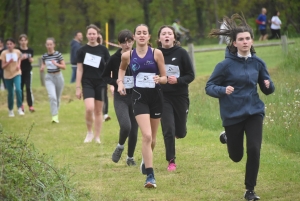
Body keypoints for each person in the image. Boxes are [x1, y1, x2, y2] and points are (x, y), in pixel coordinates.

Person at [206, 14, 275, 200]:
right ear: (234, 43)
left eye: (247, 38)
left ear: (252, 41)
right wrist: (222, 90)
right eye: (241, 39)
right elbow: (209, 87)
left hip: (254, 112)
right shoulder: (225, 65)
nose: (245, 42)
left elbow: (267, 88)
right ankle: (228, 136)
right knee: (236, 156)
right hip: (233, 115)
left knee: (254, 149)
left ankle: (250, 190)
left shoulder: (258, 63)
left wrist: (269, 85)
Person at [117, 24, 167, 188]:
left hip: (156, 97)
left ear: (149, 36)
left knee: (152, 139)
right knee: (146, 136)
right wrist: (120, 83)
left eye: (144, 33)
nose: (142, 35)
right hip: (139, 98)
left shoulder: (156, 53)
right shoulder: (127, 55)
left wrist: (160, 79)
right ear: (135, 37)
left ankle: (146, 161)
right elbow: (121, 69)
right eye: (139, 33)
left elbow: (165, 77)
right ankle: (150, 176)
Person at [156, 25, 195, 171]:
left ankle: (179, 132)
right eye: (163, 33)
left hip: (180, 96)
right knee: (168, 128)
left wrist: (178, 80)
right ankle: (171, 160)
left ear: (174, 37)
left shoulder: (181, 53)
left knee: (181, 132)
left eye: (169, 33)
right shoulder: (155, 54)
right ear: (159, 38)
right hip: (163, 96)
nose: (166, 36)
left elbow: (191, 75)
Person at [102, 29, 138, 166]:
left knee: (134, 130)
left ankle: (130, 157)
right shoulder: (114, 59)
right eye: (124, 42)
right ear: (119, 44)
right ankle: (120, 146)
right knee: (126, 126)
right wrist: (116, 83)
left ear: (133, 41)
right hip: (121, 97)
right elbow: (104, 76)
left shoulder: (138, 56)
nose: (127, 45)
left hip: (136, 97)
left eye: (129, 41)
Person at [76, 24, 110, 143]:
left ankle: (97, 136)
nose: (92, 36)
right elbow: (79, 69)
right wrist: (77, 87)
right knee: (89, 108)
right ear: (86, 35)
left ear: (97, 35)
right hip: (87, 82)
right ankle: (89, 132)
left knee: (98, 111)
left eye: (94, 34)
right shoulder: (81, 50)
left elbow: (109, 68)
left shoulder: (103, 50)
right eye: (89, 34)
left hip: (101, 83)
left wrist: (110, 84)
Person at [40, 37, 66, 123]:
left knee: (57, 98)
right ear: (46, 45)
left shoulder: (58, 55)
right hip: (49, 78)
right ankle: (54, 116)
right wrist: (42, 67)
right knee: (52, 97)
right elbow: (44, 63)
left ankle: (56, 114)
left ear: (54, 45)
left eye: (51, 44)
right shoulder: (44, 56)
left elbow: (64, 67)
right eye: (48, 44)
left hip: (58, 76)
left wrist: (56, 64)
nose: (49, 46)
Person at [0, 38, 24, 117]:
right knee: (10, 93)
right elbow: (3, 66)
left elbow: (20, 58)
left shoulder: (17, 52)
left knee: (18, 89)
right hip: (7, 75)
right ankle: (10, 109)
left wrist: (18, 65)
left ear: (14, 45)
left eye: (11, 44)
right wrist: (8, 62)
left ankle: (19, 107)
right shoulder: (4, 53)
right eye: (8, 44)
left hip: (16, 73)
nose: (9, 45)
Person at [18, 34, 35, 112]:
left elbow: (32, 59)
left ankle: (30, 105)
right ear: (19, 41)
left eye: (25, 40)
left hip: (28, 71)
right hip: (19, 71)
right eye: (22, 40)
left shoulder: (30, 50)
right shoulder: (17, 50)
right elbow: (15, 60)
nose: (23, 42)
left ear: (27, 41)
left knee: (28, 88)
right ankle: (21, 105)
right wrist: (21, 58)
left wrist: (30, 59)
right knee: (20, 88)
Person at [97, 32, 111, 121]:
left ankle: (105, 113)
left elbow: (109, 63)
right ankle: (97, 113)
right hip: (91, 77)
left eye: (100, 39)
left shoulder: (104, 50)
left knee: (104, 95)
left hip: (102, 77)